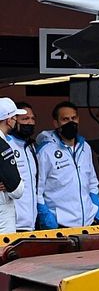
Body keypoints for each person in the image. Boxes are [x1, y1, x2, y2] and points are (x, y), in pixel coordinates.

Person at [36, 101, 99, 228]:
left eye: (73, 118)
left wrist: (96, 213)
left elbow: (92, 183)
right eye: (65, 119)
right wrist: (47, 219)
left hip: (89, 223)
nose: (71, 122)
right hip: (60, 225)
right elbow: (37, 191)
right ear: (56, 123)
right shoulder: (45, 151)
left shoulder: (85, 147)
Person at [8, 101, 38, 230]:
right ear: (13, 121)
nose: (30, 122)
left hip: (31, 222)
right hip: (11, 223)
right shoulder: (6, 144)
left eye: (32, 118)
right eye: (25, 119)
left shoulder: (31, 147)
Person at [0, 99, 26, 233]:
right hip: (2, 214)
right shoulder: (3, 145)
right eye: (15, 117)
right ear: (8, 120)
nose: (16, 120)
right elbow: (17, 190)